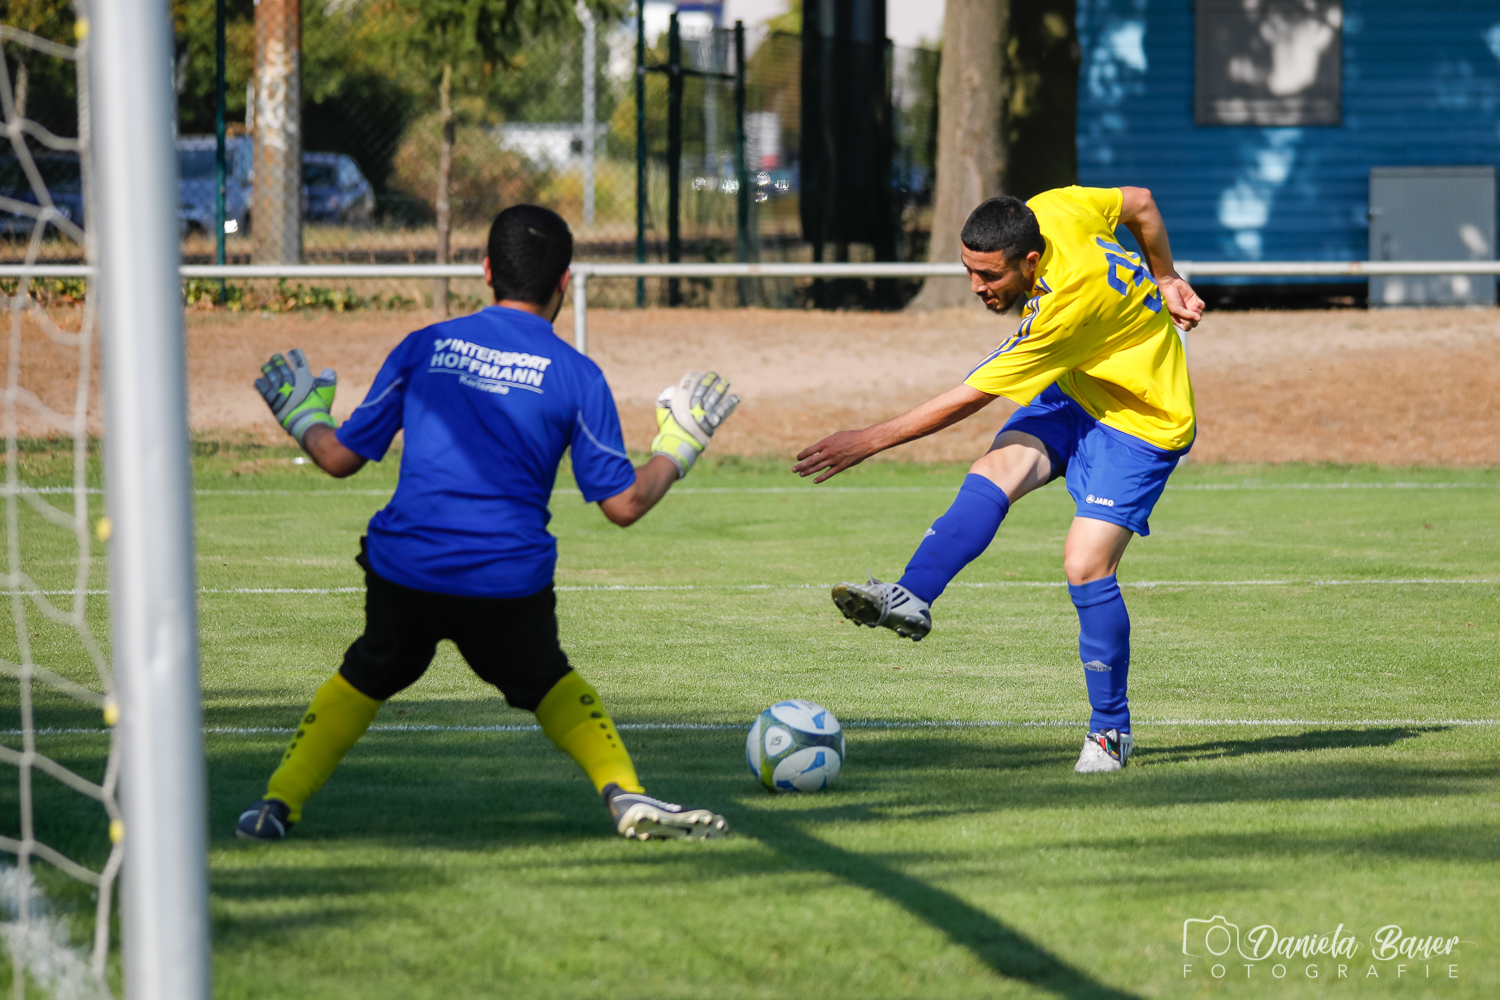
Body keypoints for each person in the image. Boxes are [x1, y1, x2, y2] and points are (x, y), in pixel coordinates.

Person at [237, 205, 739, 841]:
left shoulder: (424, 346)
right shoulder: (578, 377)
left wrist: (302, 417)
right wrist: (679, 447)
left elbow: (337, 458)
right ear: (565, 283)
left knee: (368, 671)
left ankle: (274, 806)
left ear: (485, 271)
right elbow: (625, 506)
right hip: (507, 581)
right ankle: (624, 793)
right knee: (548, 682)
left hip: (407, 569)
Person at [793, 186, 1203, 773]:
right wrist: (1165, 276)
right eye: (968, 271)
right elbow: (1138, 202)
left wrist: (868, 440)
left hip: (1142, 418)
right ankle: (913, 594)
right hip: (1077, 387)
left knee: (1084, 565)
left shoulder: (1065, 307)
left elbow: (969, 399)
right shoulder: (1052, 208)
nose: (978, 287)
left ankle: (1110, 732)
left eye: (989, 276)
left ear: (1030, 261)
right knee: (995, 469)